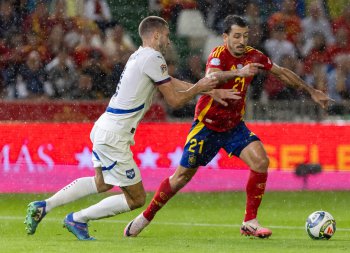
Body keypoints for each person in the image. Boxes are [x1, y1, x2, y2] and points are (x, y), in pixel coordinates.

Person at [24, 16, 234, 240]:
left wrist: (206, 91)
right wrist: (200, 86)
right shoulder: (154, 57)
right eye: (166, 35)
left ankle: (44, 205)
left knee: (101, 182)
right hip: (115, 135)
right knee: (136, 198)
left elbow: (170, 81)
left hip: (105, 127)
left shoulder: (139, 55)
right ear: (155, 35)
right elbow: (174, 100)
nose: (169, 40)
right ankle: (78, 218)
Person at [125, 15, 332, 239]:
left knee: (261, 161)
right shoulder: (217, 55)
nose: (241, 40)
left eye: (245, 35)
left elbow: (281, 72)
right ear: (225, 37)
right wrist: (238, 72)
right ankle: (144, 218)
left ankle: (250, 222)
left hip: (234, 126)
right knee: (181, 178)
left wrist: (311, 91)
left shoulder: (254, 56)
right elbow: (212, 77)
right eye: (236, 36)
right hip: (207, 126)